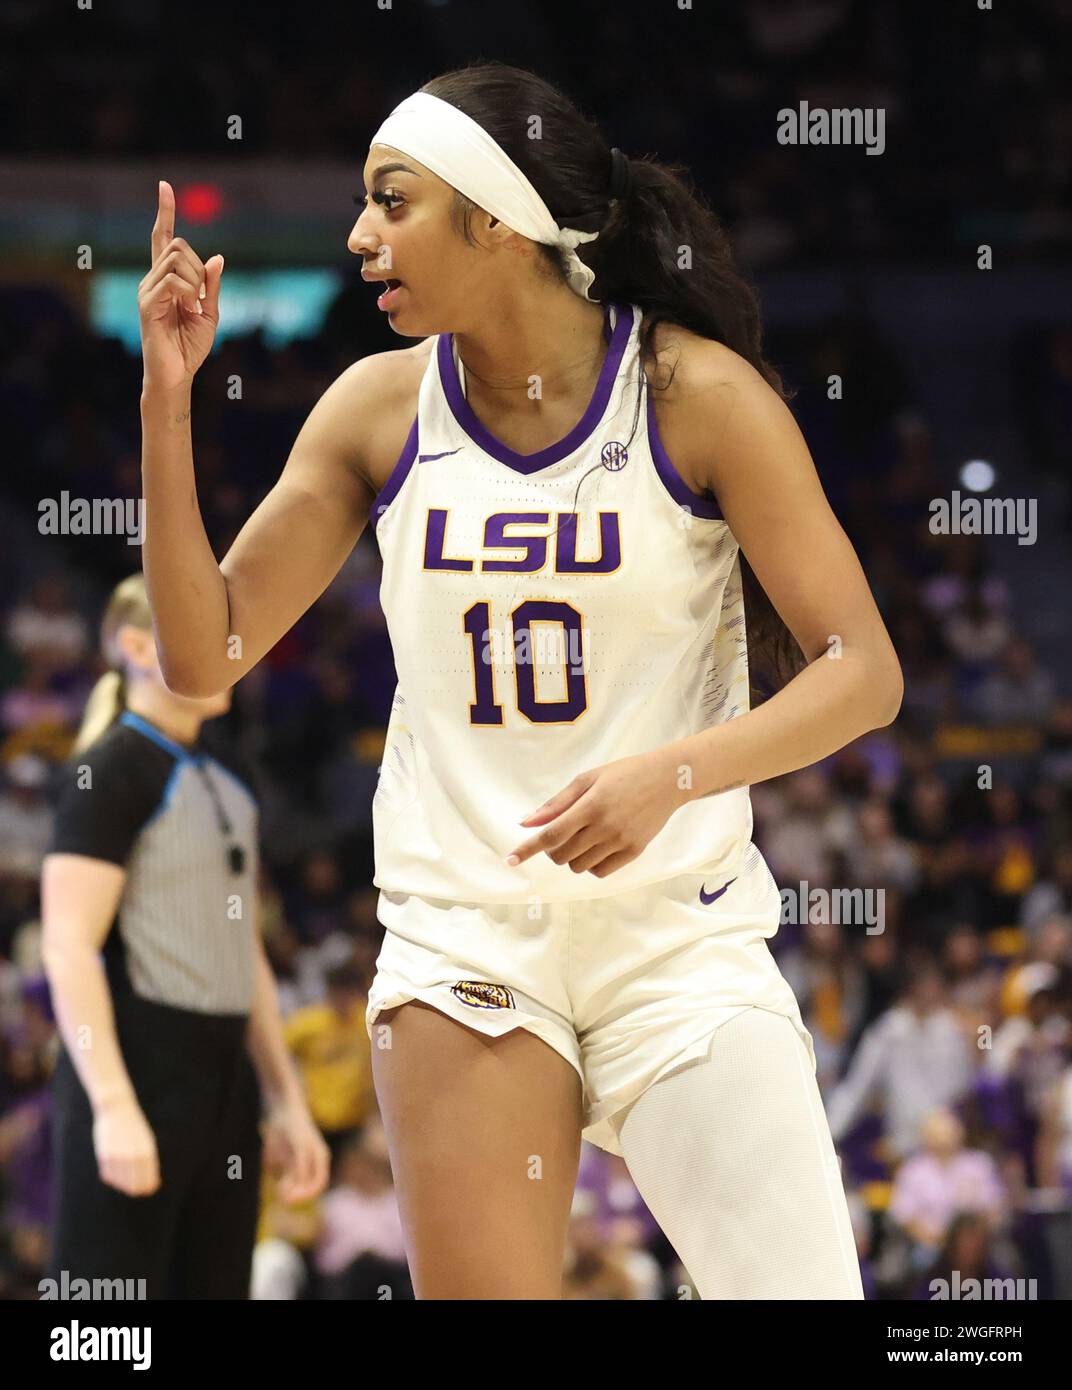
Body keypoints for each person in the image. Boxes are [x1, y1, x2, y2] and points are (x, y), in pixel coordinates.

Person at [137, 62, 903, 1298]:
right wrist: (164, 404)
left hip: (679, 939)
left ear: (494, 217)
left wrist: (675, 773)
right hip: (465, 937)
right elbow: (200, 653)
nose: (358, 236)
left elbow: (862, 672)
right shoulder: (375, 412)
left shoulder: (694, 394)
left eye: (392, 203)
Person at [41, 575, 329, 1299]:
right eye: (200, 631)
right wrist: (111, 1104)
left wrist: (286, 1098)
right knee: (103, 1328)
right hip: (137, 1067)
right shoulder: (105, 773)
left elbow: (244, 953)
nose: (228, 651)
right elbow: (67, 945)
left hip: (224, 1082)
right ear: (136, 647)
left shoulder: (228, 773)